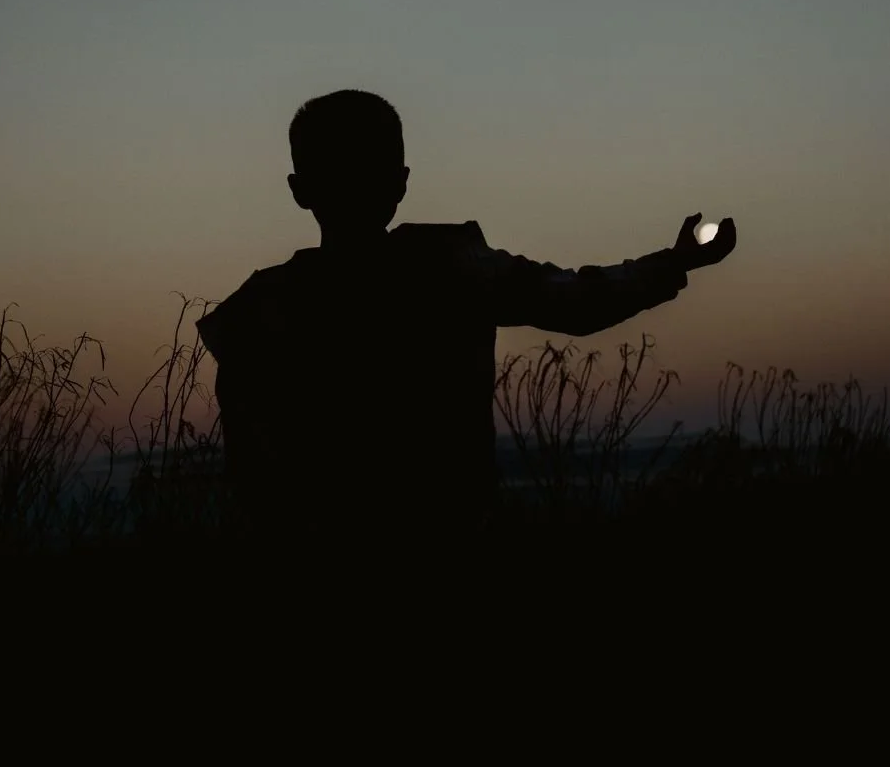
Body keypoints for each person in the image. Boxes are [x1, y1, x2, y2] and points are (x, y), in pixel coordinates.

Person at [195, 90, 736, 546]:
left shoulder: (260, 309)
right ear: (401, 182)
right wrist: (675, 263)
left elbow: (250, 472)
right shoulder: (450, 266)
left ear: (300, 191)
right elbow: (576, 301)